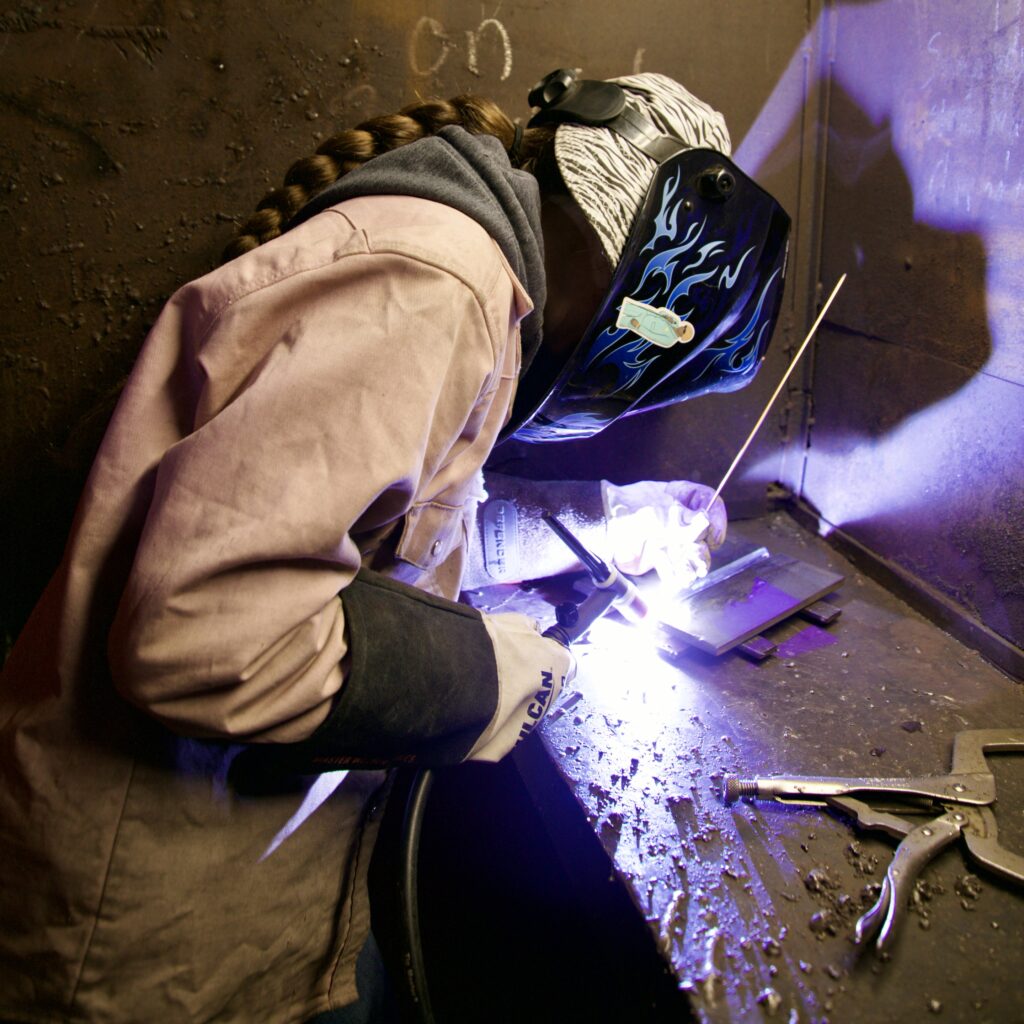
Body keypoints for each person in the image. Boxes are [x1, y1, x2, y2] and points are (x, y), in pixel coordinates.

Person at [0, 69, 789, 1022]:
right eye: (657, 328)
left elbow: (395, 537)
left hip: (256, 894)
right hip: (146, 941)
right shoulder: (437, 284)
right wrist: (502, 674)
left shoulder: (466, 264)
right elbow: (212, 631)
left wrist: (621, 517)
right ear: (622, 258)